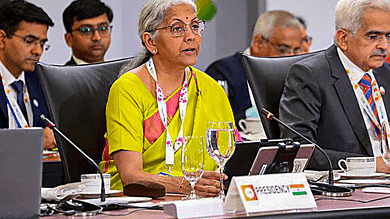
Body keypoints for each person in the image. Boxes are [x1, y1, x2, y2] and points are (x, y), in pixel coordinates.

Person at [99, 0, 238, 196]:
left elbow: (231, 157)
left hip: (203, 200)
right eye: (177, 28)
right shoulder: (127, 89)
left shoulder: (211, 88)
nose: (191, 36)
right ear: (151, 42)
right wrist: (187, 185)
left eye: (195, 26)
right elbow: (130, 176)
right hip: (137, 202)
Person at [279, 0, 390, 172]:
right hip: (350, 189)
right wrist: (373, 165)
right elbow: (299, 151)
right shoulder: (309, 76)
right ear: (343, 39)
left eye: (388, 36)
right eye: (373, 36)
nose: (384, 46)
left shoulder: (385, 73)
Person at [205, 10, 304, 130]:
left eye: (297, 50)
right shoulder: (222, 72)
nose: (291, 57)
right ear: (258, 43)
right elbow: (217, 125)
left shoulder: (296, 74)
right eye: (283, 50)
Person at [0, 0, 56, 150]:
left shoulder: (42, 81)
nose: (37, 51)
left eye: (42, 44)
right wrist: (33, 144)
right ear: (2, 39)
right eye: (29, 41)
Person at [62, 0, 113, 65]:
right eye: (86, 30)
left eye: (103, 29)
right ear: (69, 39)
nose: (97, 38)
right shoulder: (62, 75)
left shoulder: (121, 73)